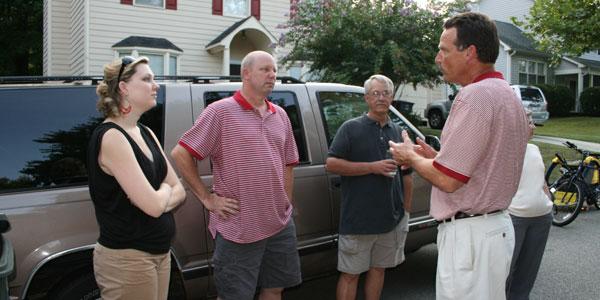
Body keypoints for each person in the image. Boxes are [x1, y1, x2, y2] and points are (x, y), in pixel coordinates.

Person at [388, 12, 529, 300]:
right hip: (493, 231)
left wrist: (411, 157)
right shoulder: (506, 94)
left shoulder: (474, 96)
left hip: (471, 238)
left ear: (470, 53)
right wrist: (437, 156)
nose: (438, 58)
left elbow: (448, 179)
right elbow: (482, 162)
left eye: (443, 50)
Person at [170, 50, 301, 300]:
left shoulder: (280, 114)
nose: (272, 75)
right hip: (239, 227)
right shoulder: (220, 112)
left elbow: (288, 164)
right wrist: (207, 199)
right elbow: (181, 154)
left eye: (274, 70)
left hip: (279, 224)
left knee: (274, 289)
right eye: (265, 69)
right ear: (246, 74)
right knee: (234, 296)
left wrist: (285, 203)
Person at [87, 56, 186, 300]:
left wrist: (159, 195)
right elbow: (153, 207)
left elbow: (180, 190)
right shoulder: (113, 137)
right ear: (124, 88)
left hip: (159, 254)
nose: (156, 85)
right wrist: (164, 192)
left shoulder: (146, 132)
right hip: (127, 260)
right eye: (147, 79)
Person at [326, 74, 413, 300]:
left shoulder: (398, 132)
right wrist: (372, 167)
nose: (381, 98)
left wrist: (406, 213)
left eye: (385, 93)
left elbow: (407, 175)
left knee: (378, 270)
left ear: (392, 97)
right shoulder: (350, 128)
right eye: (375, 93)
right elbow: (331, 164)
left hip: (390, 221)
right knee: (350, 275)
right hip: (357, 221)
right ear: (366, 98)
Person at [505, 111, 553, 300]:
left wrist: (549, 200)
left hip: (542, 218)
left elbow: (541, 180)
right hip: (515, 218)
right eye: (529, 122)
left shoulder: (534, 149)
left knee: (527, 274)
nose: (533, 126)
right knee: (505, 273)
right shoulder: (503, 152)